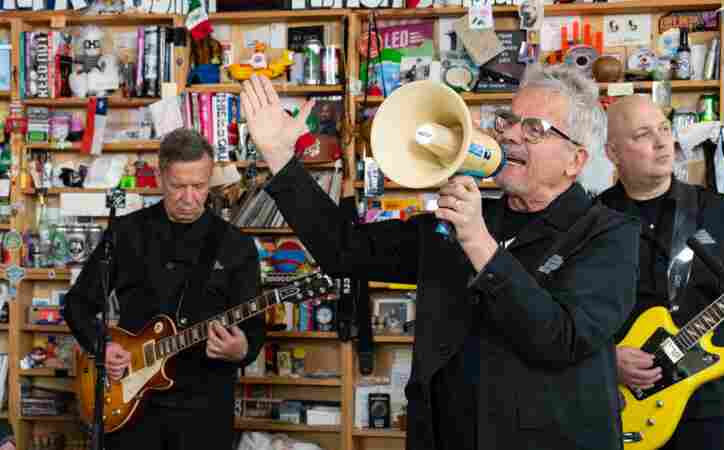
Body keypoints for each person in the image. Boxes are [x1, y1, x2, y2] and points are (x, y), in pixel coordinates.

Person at [241, 65, 639, 450]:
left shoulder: (608, 234)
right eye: (509, 121)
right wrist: (279, 156)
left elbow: (561, 339)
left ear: (576, 160)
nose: (512, 136)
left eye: (534, 129)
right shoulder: (468, 217)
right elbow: (344, 249)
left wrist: (479, 243)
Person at [601, 95, 724, 450]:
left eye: (664, 128)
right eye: (643, 134)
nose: (662, 142)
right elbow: (562, 314)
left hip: (701, 405)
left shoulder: (715, 210)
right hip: (615, 401)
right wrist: (604, 358)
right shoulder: (593, 218)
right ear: (612, 153)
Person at [64, 128, 265, 450]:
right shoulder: (127, 233)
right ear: (160, 178)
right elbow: (77, 304)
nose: (189, 197)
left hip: (205, 407)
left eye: (198, 186)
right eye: (178, 186)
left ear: (210, 177)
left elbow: (253, 327)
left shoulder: (236, 245)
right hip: (131, 402)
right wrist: (101, 346)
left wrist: (241, 349)